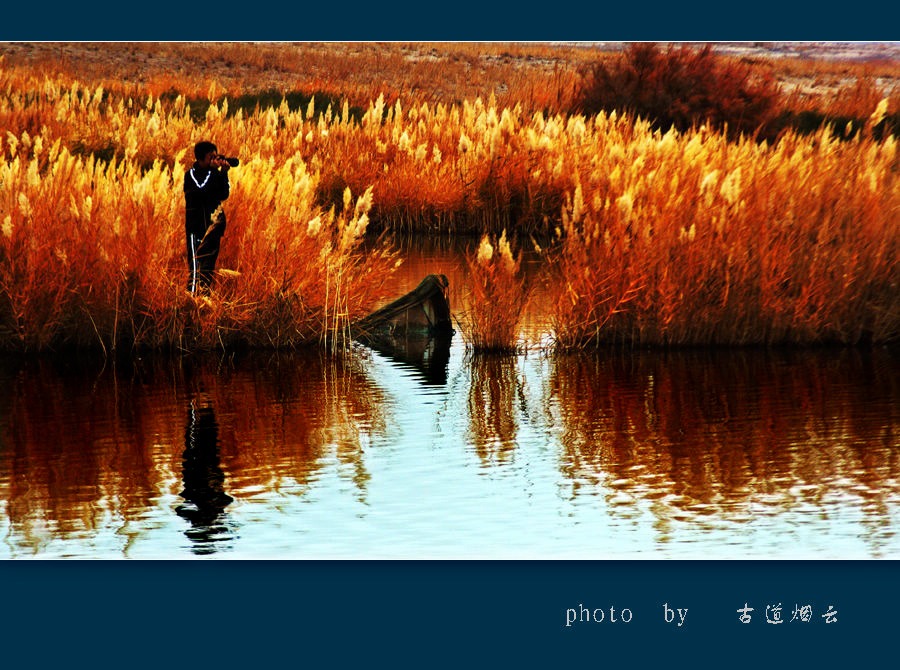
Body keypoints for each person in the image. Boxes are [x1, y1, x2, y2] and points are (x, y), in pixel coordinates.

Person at [184, 140, 232, 294]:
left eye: (215, 156)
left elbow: (223, 194)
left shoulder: (214, 174)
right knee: (195, 269)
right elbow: (201, 189)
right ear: (200, 158)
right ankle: (191, 301)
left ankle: (203, 301)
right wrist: (213, 171)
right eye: (211, 156)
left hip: (211, 229)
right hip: (195, 228)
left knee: (207, 269)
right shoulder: (190, 175)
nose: (214, 160)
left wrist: (223, 173)